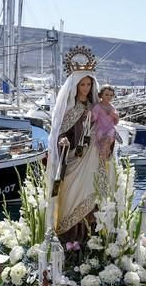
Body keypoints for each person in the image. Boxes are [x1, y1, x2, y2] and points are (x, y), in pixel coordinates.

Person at [47, 56, 115, 241]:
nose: (85, 88)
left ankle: (91, 241)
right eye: (82, 84)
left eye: (88, 84)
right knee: (72, 199)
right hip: (75, 160)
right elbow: (61, 133)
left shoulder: (97, 107)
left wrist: (109, 142)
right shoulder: (70, 110)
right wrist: (63, 142)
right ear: (75, 86)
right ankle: (71, 241)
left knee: (94, 199)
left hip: (94, 160)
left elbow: (109, 129)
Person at [91, 85, 119, 157]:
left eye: (111, 95)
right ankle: (102, 153)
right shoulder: (98, 106)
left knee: (109, 137)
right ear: (101, 95)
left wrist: (114, 115)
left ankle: (105, 153)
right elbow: (93, 118)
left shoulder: (112, 107)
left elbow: (116, 121)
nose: (109, 97)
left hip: (110, 128)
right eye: (106, 95)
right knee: (100, 136)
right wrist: (90, 115)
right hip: (100, 128)